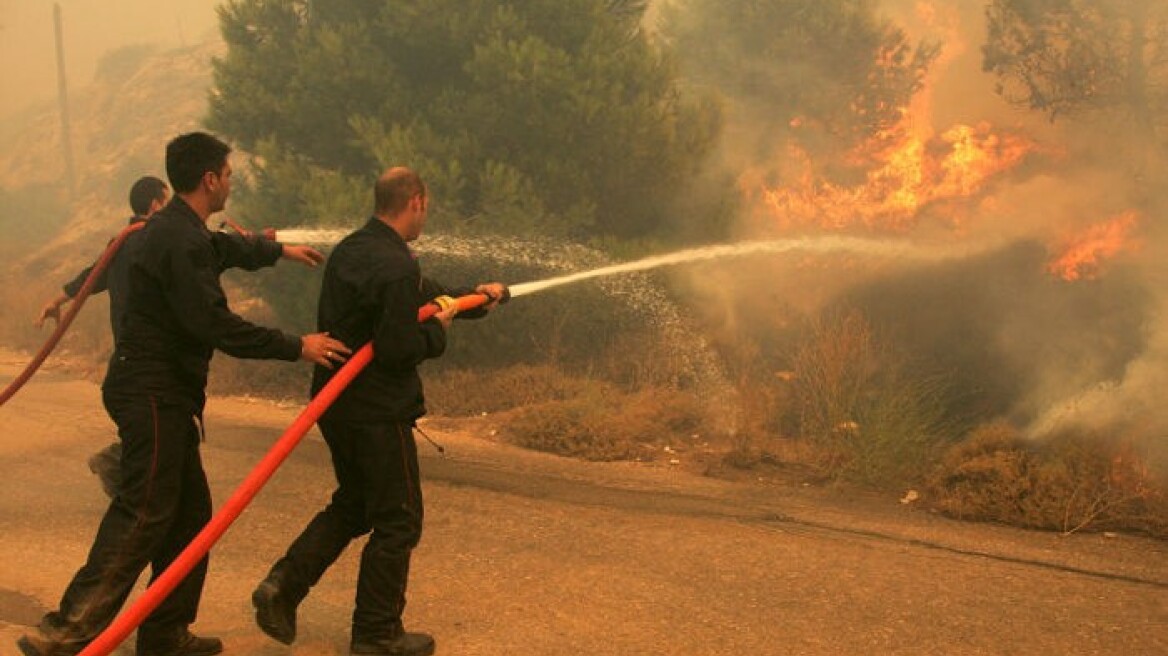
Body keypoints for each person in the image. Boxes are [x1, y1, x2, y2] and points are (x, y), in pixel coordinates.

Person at [17, 132, 352, 656]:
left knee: (192, 518)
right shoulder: (177, 239)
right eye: (229, 174)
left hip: (161, 392)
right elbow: (215, 325)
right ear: (210, 180)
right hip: (151, 393)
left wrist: (279, 250)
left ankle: (166, 632)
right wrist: (297, 346)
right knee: (143, 510)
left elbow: (224, 245)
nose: (232, 183)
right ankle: (64, 631)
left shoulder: (178, 231)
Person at [251, 167, 507, 656]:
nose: (425, 218)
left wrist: (478, 298)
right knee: (399, 519)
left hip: (336, 405)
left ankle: (282, 588)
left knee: (354, 504)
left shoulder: (356, 249)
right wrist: (441, 332)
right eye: (425, 208)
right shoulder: (394, 265)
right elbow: (397, 346)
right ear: (415, 202)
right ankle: (375, 633)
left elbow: (426, 292)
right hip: (376, 412)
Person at [36, 175, 171, 498]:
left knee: (160, 427)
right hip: (143, 359)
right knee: (160, 427)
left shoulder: (123, 244)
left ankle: (128, 475)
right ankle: (117, 466)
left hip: (129, 358)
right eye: (166, 203)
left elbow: (91, 276)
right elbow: (94, 276)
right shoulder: (148, 242)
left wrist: (58, 299)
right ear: (155, 205)